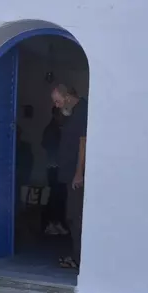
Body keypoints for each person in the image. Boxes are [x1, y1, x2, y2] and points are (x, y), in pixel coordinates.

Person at [52, 84, 87, 270]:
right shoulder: (72, 112)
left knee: (75, 216)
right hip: (69, 174)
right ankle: (77, 256)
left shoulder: (82, 111)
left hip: (76, 177)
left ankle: (79, 259)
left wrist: (79, 173)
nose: (56, 105)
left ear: (67, 97)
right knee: (72, 216)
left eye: (58, 101)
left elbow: (83, 142)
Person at [42, 106, 69, 236]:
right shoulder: (52, 129)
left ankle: (56, 222)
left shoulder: (56, 128)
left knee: (59, 196)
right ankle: (50, 223)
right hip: (54, 168)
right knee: (56, 196)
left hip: (57, 167)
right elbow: (49, 146)